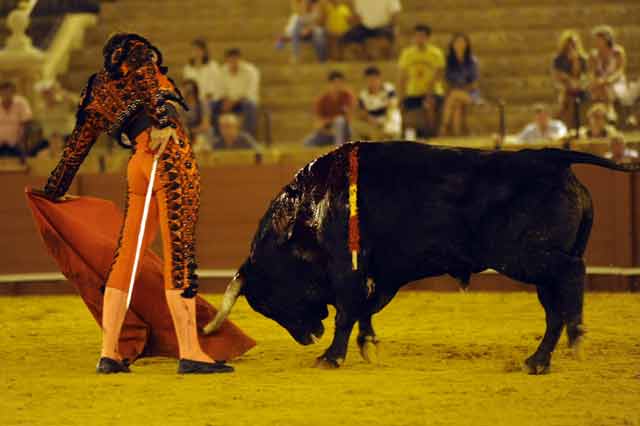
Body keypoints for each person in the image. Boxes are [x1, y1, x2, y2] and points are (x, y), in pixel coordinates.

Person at [33, 33, 237, 375]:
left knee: (126, 255)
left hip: (138, 166)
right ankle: (190, 352)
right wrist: (160, 121)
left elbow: (76, 150)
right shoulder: (137, 57)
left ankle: (109, 352)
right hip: (167, 158)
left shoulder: (95, 91)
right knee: (179, 253)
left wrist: (53, 190)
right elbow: (145, 74)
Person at [398, 24, 445, 138]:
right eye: (417, 36)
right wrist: (401, 96)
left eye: (422, 36)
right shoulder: (407, 54)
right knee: (401, 110)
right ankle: (403, 137)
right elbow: (402, 76)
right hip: (412, 92)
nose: (419, 39)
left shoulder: (436, 53)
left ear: (428, 38)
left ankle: (432, 136)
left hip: (433, 92)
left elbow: (438, 75)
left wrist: (429, 93)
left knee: (429, 105)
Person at [211, 48, 260, 137]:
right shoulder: (222, 71)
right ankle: (218, 138)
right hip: (227, 101)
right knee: (213, 105)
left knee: (249, 105)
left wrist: (234, 102)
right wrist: (225, 101)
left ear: (240, 59)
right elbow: (219, 90)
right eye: (231, 60)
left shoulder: (251, 71)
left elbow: (250, 92)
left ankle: (247, 137)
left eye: (235, 59)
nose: (233, 62)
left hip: (243, 102)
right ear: (227, 60)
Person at [439, 33, 479, 136]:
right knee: (457, 106)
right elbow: (445, 81)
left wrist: (459, 90)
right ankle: (457, 134)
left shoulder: (472, 61)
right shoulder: (448, 60)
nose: (460, 44)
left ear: (467, 44)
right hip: (453, 95)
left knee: (454, 95)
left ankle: (444, 127)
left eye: (462, 42)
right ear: (452, 44)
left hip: (470, 94)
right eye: (457, 42)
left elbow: (474, 84)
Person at [303, 70, 355, 146]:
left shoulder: (347, 96)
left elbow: (349, 118)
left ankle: (339, 150)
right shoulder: (322, 99)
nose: (337, 85)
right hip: (327, 132)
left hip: (344, 131)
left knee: (339, 121)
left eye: (340, 83)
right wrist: (329, 128)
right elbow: (318, 123)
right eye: (334, 83)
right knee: (308, 142)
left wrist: (333, 122)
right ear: (329, 84)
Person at [588, 25, 629, 121]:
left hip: (616, 82)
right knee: (598, 87)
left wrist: (608, 80)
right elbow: (592, 73)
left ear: (606, 39)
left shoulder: (618, 52)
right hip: (601, 83)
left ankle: (609, 110)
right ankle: (604, 114)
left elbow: (620, 71)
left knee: (606, 87)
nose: (596, 42)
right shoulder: (594, 55)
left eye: (599, 39)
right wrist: (598, 81)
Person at [352, 66, 401, 140]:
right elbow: (362, 112)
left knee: (395, 115)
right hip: (372, 122)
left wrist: (385, 121)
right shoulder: (363, 95)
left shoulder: (389, 88)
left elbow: (393, 105)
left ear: (379, 78)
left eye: (375, 79)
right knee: (355, 126)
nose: (373, 82)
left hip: (388, 119)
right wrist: (370, 120)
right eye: (369, 80)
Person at [552, 30, 589, 129]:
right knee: (565, 96)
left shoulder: (582, 58)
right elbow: (558, 75)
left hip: (579, 86)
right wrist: (568, 81)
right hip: (564, 86)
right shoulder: (559, 59)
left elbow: (583, 75)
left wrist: (575, 61)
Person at [183, 38, 221, 103]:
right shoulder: (187, 68)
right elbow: (187, 88)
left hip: (211, 100)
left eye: (199, 50)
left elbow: (217, 86)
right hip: (194, 101)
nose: (196, 52)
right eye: (194, 50)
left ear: (204, 51)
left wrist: (209, 97)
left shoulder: (213, 66)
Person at [0, 81, 32, 157]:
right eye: (4, 92)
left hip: (17, 143)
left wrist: (21, 139)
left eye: (9, 92)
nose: (7, 95)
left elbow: (26, 122)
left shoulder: (21, 103)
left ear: (14, 93)